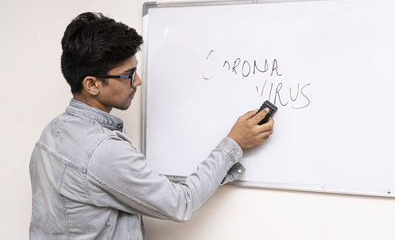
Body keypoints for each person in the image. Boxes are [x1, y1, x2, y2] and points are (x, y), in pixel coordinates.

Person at [29, 12, 275, 239]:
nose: (137, 81)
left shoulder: (52, 132)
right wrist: (234, 143)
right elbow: (181, 203)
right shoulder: (103, 150)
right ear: (92, 84)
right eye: (128, 74)